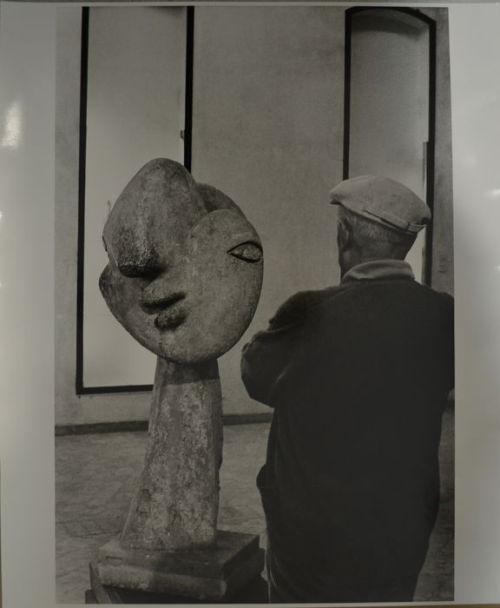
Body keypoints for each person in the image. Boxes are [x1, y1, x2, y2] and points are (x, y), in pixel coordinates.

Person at [241, 175, 454, 603]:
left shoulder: (309, 312)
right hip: (401, 534)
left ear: (344, 235)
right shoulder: (444, 316)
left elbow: (254, 374)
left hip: (312, 544)